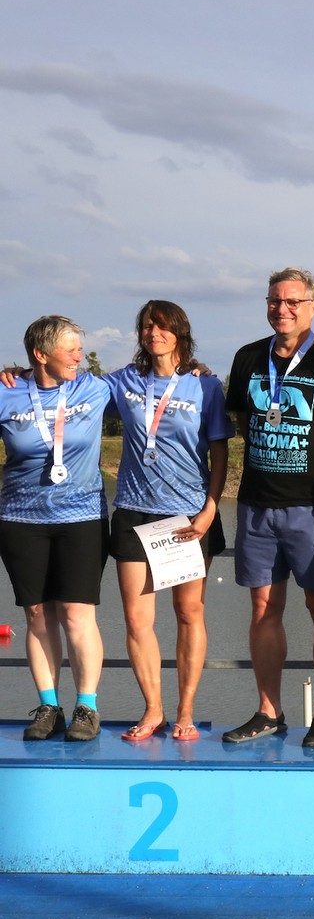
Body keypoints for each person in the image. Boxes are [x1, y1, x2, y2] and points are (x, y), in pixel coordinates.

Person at [223, 267, 314, 747]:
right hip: (256, 504)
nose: (282, 309)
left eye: (292, 301)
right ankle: (269, 711)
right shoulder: (248, 358)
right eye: (274, 300)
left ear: (312, 306)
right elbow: (242, 420)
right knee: (263, 608)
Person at [104, 301, 231, 742]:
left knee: (189, 612)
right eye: (146, 326)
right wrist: (20, 373)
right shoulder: (124, 381)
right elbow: (71, 387)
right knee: (137, 620)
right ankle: (153, 709)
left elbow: (219, 454)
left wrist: (209, 509)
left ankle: (186, 710)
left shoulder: (206, 386)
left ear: (179, 332)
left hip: (187, 515)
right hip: (134, 511)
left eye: (162, 326)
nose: (153, 333)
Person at [0, 316, 111, 742]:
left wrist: (193, 367)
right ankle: (49, 707)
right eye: (71, 350)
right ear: (41, 354)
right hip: (20, 519)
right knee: (36, 616)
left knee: (77, 614)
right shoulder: (7, 391)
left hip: (81, 517)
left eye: (80, 348)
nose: (79, 357)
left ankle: (87, 707)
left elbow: (153, 379)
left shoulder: (94, 388)